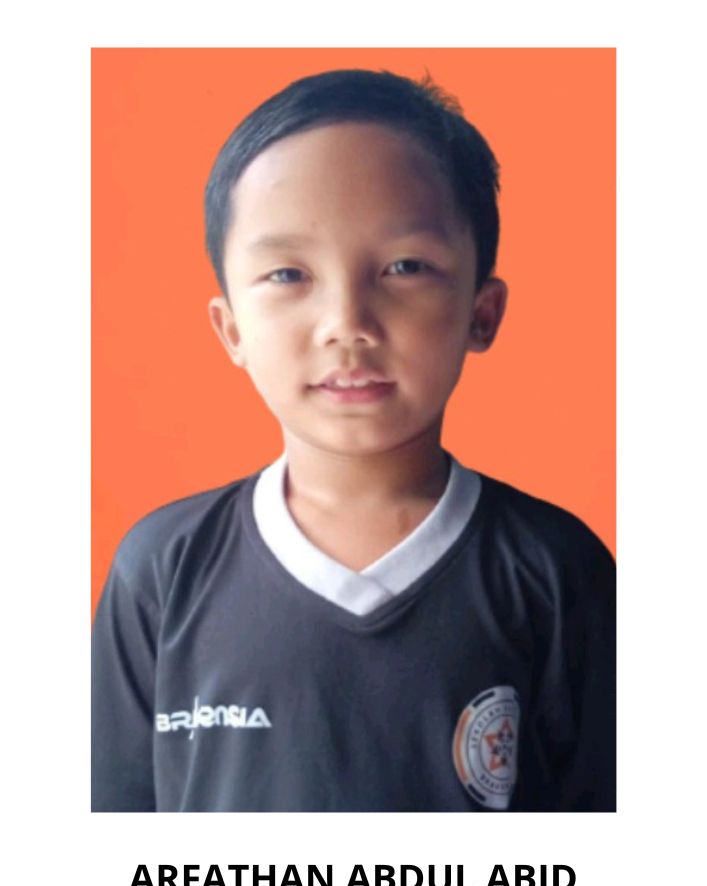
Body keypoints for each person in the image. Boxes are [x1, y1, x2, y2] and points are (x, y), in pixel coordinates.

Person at [92, 68, 615, 812]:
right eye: (288, 274)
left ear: (482, 311)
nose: (347, 322)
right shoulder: (162, 571)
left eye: (404, 267)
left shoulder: (556, 571)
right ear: (231, 329)